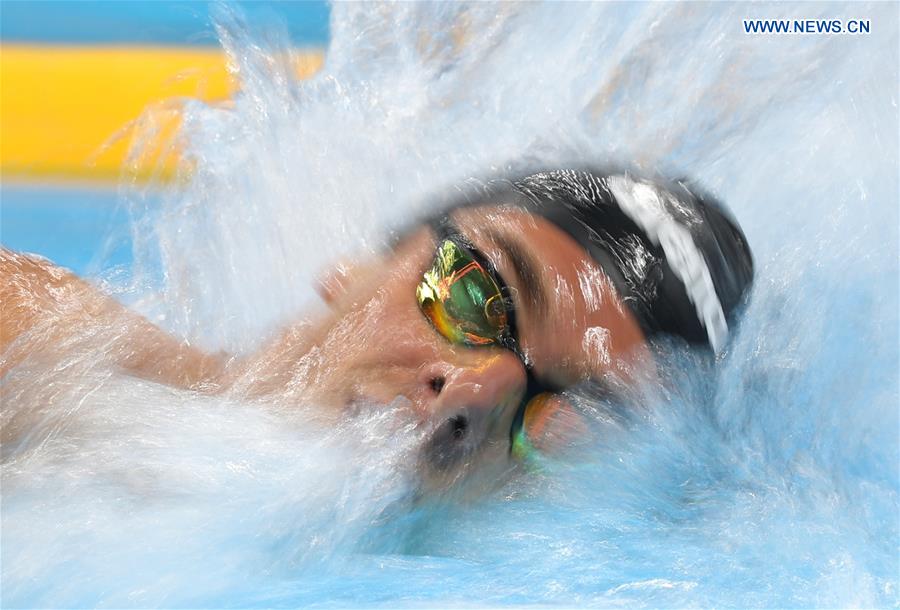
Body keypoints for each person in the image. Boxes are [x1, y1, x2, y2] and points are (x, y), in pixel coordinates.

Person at [1, 169, 753, 487]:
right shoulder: (35, 346)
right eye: (477, 295)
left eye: (563, 411)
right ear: (355, 269)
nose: (472, 394)